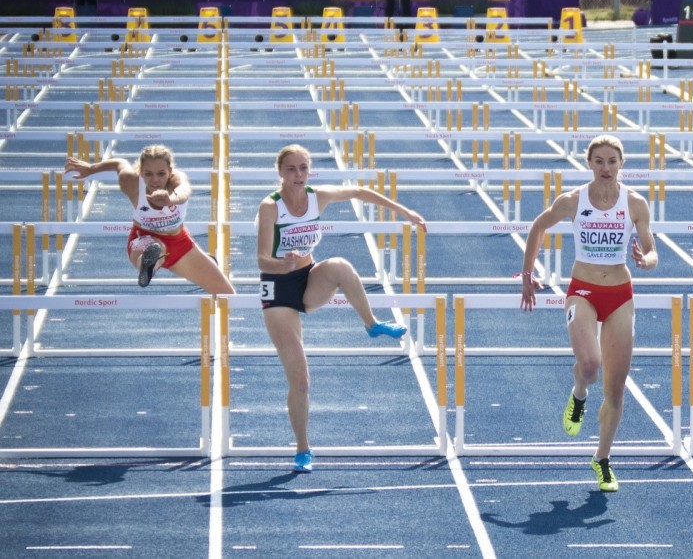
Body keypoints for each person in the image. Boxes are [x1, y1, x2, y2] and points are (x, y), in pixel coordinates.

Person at [257, 144, 426, 473]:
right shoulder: (270, 207)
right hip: (277, 289)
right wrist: (282, 262)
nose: (298, 175)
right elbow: (262, 259)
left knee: (341, 266)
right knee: (301, 381)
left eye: (303, 168)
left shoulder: (318, 196)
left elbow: (361, 192)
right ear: (280, 172)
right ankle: (303, 449)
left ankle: (371, 324)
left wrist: (405, 212)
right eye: (291, 169)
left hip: (307, 278)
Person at [520, 135, 658, 493]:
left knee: (615, 389)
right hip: (582, 290)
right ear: (589, 163)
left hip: (620, 294)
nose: (606, 168)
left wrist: (647, 260)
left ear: (621, 164)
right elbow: (538, 226)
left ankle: (602, 459)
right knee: (590, 365)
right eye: (599, 161)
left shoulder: (635, 203)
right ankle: (579, 392)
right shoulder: (572, 201)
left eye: (612, 161)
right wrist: (527, 274)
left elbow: (652, 249)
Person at [64, 145, 234, 295]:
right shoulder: (130, 182)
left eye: (161, 174)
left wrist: (170, 200)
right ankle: (147, 267)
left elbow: (184, 191)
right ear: (140, 173)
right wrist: (92, 168)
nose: (155, 180)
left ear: (170, 172)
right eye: (148, 174)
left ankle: (161, 262)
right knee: (156, 247)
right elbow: (119, 164)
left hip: (180, 243)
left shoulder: (177, 180)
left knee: (227, 294)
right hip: (142, 239)